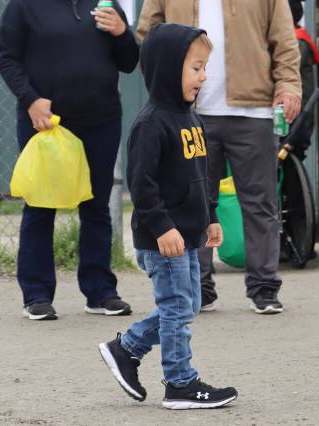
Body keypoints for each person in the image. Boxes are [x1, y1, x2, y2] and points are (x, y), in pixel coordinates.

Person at [137, 0, 301, 314]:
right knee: (191, 201)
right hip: (190, 114)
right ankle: (200, 290)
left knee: (260, 202)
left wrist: (289, 86)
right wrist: (164, 93)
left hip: (252, 108)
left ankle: (264, 288)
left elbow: (283, 38)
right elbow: (147, 38)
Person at [0, 0, 138, 321]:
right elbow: (7, 59)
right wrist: (31, 100)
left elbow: (129, 63)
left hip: (100, 119)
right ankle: (37, 295)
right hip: (47, 122)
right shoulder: (26, 3)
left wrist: (122, 32)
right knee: (41, 205)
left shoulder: (103, 0)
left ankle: (100, 291)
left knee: (96, 204)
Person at [98, 23, 237, 409]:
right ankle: (180, 383)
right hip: (164, 239)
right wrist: (162, 227)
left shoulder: (192, 119)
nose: (203, 76)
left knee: (186, 305)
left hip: (190, 234)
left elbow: (201, 177)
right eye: (196, 68)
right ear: (167, 68)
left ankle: (126, 348)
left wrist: (210, 217)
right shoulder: (151, 123)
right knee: (179, 309)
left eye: (204, 67)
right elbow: (141, 185)